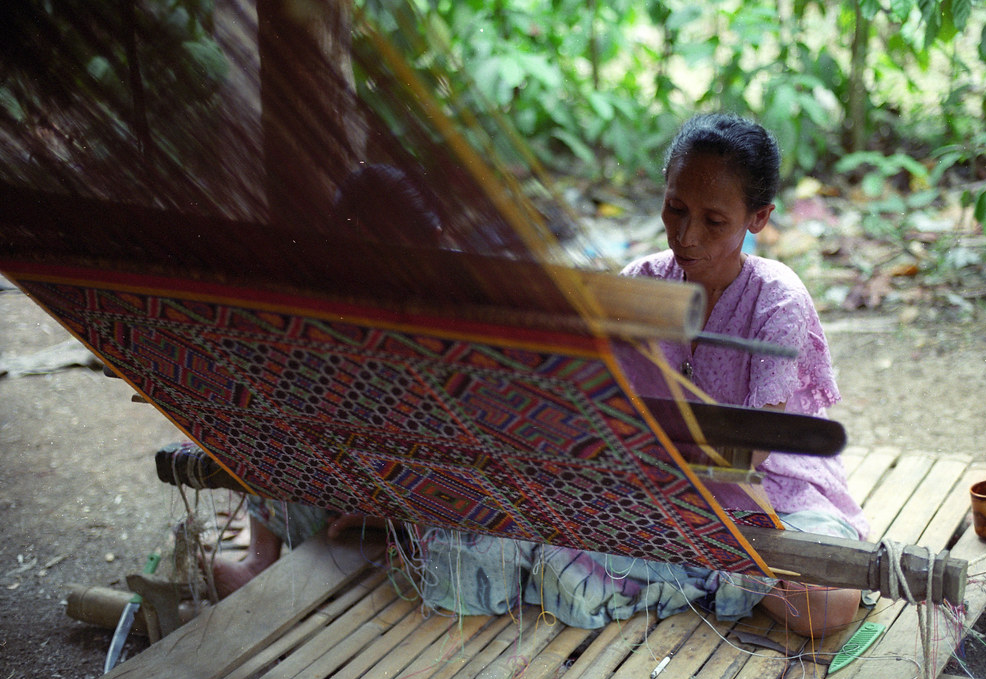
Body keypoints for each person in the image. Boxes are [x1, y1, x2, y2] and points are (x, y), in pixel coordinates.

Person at [419, 113, 867, 638]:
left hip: (764, 494)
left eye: (713, 221)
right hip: (650, 488)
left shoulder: (777, 299)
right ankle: (704, 570)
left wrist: (663, 492)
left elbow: (749, 453)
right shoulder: (643, 284)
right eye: (675, 208)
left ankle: (689, 566)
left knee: (827, 604)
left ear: (759, 219)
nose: (686, 234)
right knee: (469, 545)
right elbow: (590, 401)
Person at [165, 163, 443, 598]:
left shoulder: (448, 313)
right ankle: (259, 561)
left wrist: (397, 510)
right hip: (342, 491)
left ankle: (395, 531)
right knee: (276, 406)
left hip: (431, 502)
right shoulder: (327, 304)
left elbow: (455, 441)